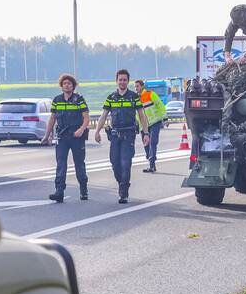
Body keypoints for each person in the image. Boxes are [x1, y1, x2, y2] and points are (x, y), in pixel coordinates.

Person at [95, 69, 150, 204]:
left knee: (126, 163)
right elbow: (103, 116)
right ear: (116, 81)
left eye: (125, 80)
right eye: (120, 79)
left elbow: (142, 115)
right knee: (115, 163)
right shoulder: (111, 97)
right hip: (114, 134)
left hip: (128, 134)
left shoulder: (134, 97)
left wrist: (146, 133)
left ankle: (123, 193)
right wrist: (97, 131)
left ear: (128, 81)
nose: (122, 82)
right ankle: (123, 183)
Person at [43, 74, 90, 203]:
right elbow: (52, 119)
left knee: (79, 164)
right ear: (61, 86)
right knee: (61, 164)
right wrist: (47, 135)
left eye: (69, 83)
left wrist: (81, 129)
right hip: (62, 136)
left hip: (76, 137)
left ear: (73, 86)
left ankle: (83, 188)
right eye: (64, 83)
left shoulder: (79, 99)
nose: (67, 85)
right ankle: (59, 191)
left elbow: (86, 118)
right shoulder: (57, 100)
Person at [135, 79, 167, 173]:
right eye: (135, 87)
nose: (136, 88)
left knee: (153, 142)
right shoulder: (135, 98)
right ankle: (151, 159)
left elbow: (160, 105)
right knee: (146, 145)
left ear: (142, 86)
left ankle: (152, 165)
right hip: (143, 126)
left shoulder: (150, 94)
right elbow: (136, 113)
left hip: (155, 122)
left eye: (137, 86)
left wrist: (164, 118)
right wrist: (137, 124)